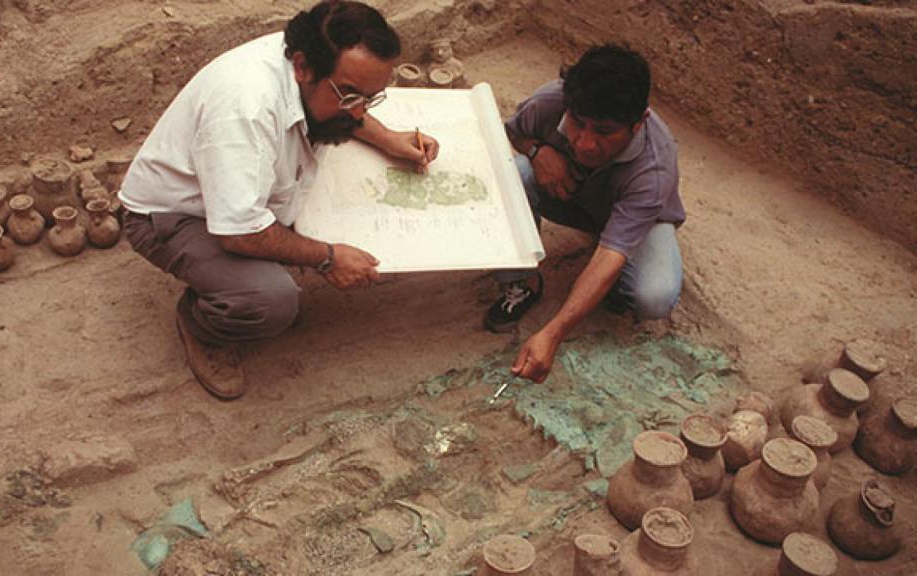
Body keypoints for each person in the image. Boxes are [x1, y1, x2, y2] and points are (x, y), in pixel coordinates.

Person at [119, 0, 438, 399]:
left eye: (370, 98)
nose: (359, 112)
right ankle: (202, 326)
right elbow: (239, 233)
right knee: (271, 301)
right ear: (302, 67)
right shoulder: (245, 110)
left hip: (240, 194)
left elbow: (347, 104)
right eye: (350, 95)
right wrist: (327, 257)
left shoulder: (313, 54)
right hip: (174, 214)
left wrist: (387, 138)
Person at [485, 44, 684, 383]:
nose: (585, 144)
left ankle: (614, 286)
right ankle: (522, 282)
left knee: (654, 296)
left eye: (604, 132)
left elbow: (610, 254)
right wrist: (537, 152)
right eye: (578, 124)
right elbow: (515, 132)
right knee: (513, 172)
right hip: (571, 198)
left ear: (638, 123)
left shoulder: (654, 168)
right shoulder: (551, 101)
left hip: (634, 219)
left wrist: (551, 334)